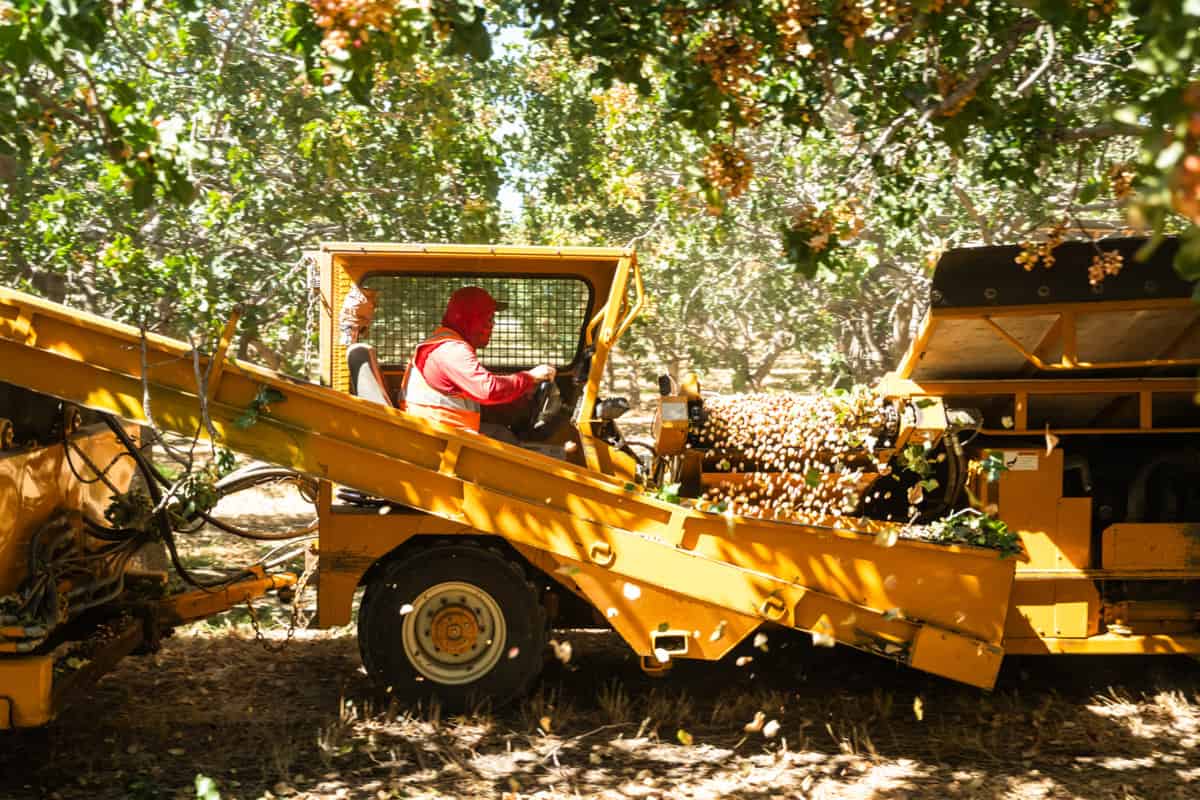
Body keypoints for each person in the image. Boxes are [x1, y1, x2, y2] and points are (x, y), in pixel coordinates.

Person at [401, 286, 556, 433]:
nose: (492, 326)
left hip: (446, 434)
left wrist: (521, 393)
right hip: (442, 441)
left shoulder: (446, 345)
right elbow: (487, 390)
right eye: (489, 319)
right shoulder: (451, 350)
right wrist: (530, 377)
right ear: (470, 320)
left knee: (503, 434)